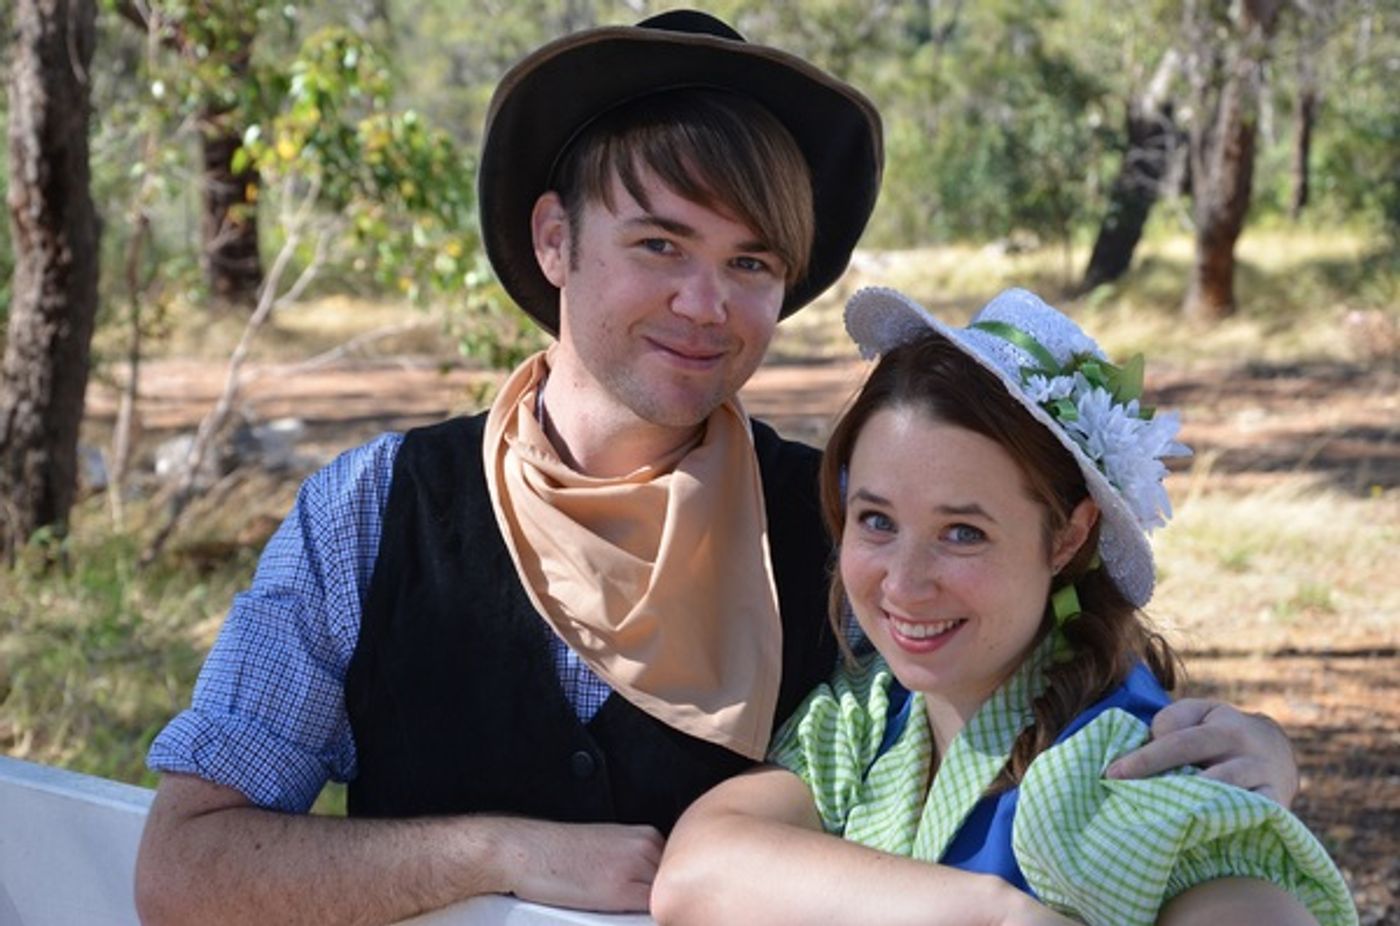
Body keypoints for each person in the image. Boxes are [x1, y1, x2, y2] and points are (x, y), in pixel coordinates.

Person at [134, 11, 1301, 926]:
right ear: (554, 239)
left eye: (750, 262)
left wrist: (1242, 760)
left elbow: (1052, 693)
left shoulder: (850, 527)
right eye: (659, 243)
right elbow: (183, 867)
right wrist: (496, 850)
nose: (707, 305)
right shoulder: (369, 511)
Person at [652, 287, 1357, 926]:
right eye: (877, 521)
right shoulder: (872, 715)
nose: (905, 584)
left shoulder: (1120, 765)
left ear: (1067, 537)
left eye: (963, 533)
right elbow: (697, 871)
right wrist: (992, 914)